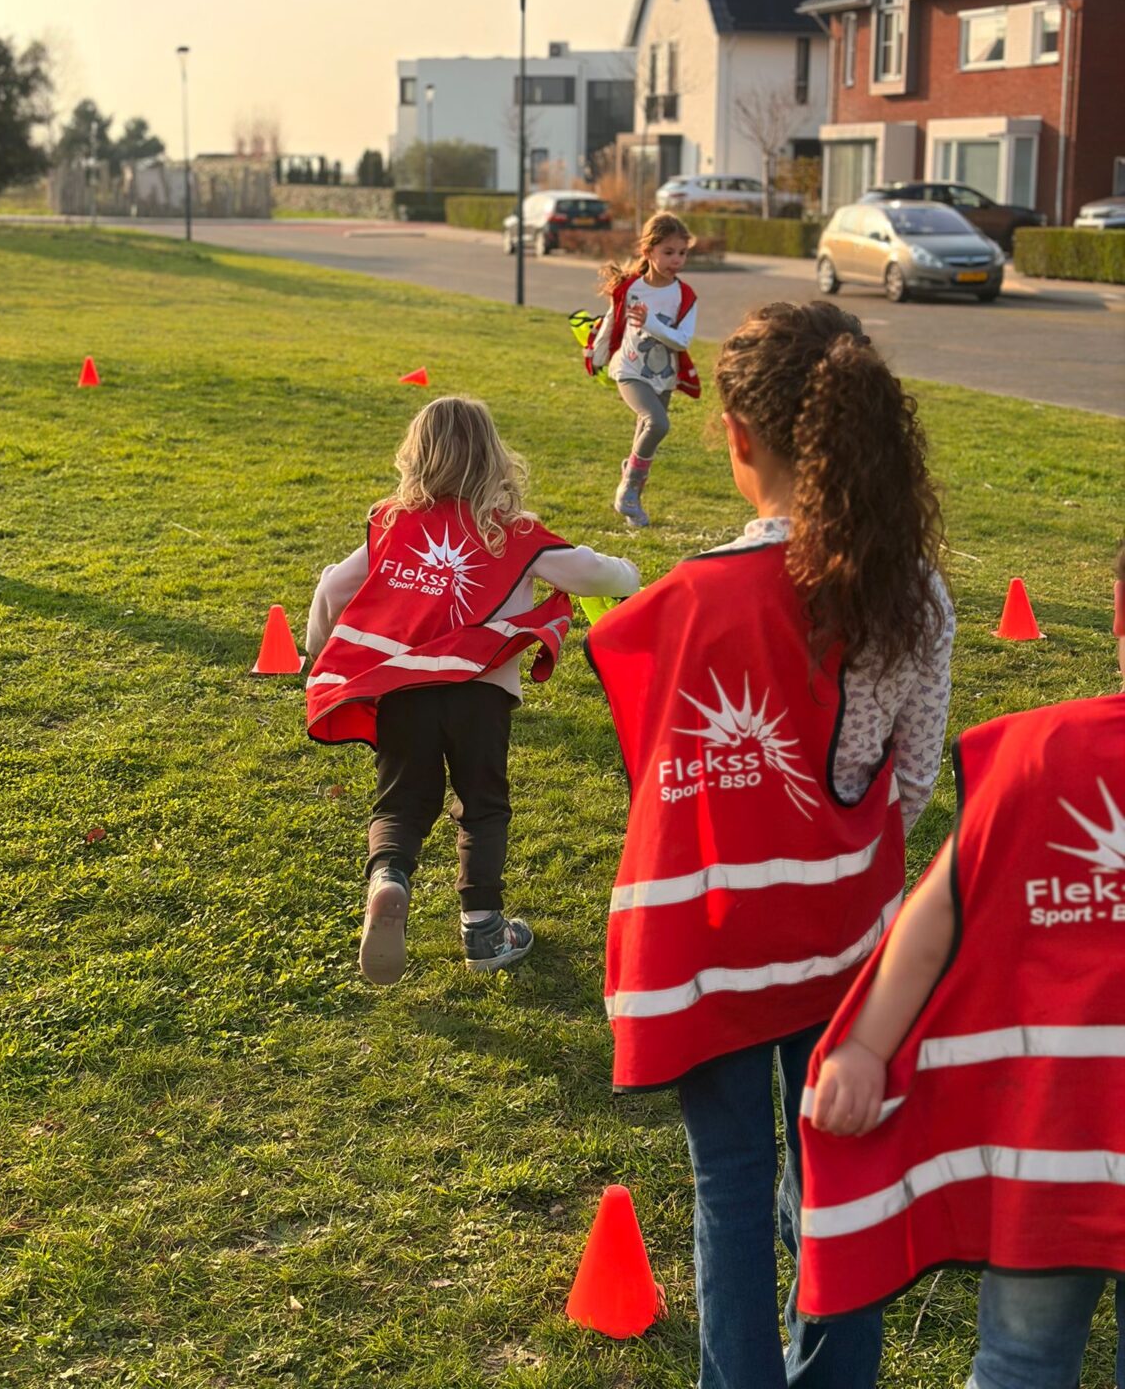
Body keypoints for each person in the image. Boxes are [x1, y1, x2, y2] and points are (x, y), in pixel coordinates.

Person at [585, 301, 954, 1388]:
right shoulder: (913, 592)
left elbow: (658, 776)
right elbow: (915, 778)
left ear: (739, 440)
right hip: (849, 944)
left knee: (731, 1187)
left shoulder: (692, 599)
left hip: (712, 943)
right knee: (840, 1178)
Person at [799, 546, 1125, 1389]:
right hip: (1054, 1141)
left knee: (1021, 1361)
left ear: (1119, 613)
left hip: (1047, 1146)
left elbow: (935, 909)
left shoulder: (1036, 756)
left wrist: (866, 1047)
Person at [304, 395, 640, 985]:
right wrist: (628, 573)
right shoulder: (512, 532)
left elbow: (334, 587)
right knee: (482, 803)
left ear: (416, 456)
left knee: (403, 801)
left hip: (403, 689)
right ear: (493, 458)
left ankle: (388, 879)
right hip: (481, 694)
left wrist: (319, 651)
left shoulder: (393, 523)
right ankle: (483, 928)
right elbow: (594, 572)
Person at [588, 211, 700, 529]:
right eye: (668, 252)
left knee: (645, 432)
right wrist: (597, 356)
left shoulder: (685, 296)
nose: (676, 260)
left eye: (682, 253)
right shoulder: (630, 288)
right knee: (658, 423)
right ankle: (627, 493)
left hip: (664, 377)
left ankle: (630, 494)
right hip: (629, 369)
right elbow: (613, 320)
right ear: (647, 251)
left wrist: (650, 323)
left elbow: (683, 340)